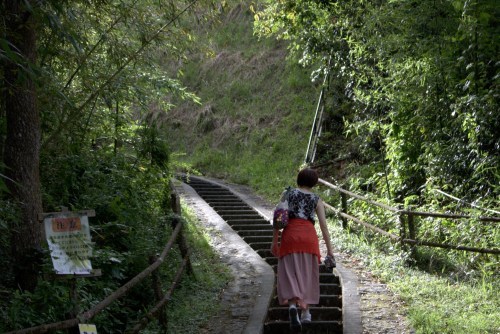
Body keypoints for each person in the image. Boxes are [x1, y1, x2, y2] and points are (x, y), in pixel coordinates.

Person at [271, 168, 335, 331]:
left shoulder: (288, 193)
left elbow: (279, 217)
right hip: (308, 237)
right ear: (314, 183)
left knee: (289, 272)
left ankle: (292, 305)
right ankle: (305, 312)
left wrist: (275, 241)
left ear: (299, 179)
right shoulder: (316, 199)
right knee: (307, 273)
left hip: (290, 235)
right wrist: (330, 251)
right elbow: (324, 226)